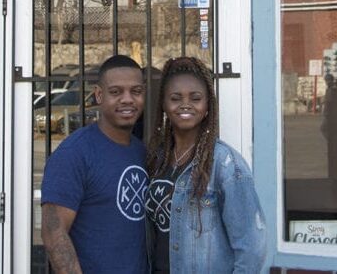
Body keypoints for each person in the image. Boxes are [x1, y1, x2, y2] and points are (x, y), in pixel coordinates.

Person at [145, 57, 265, 274]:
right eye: (175, 98)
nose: (185, 104)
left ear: (208, 105)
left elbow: (252, 249)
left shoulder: (226, 165)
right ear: (163, 104)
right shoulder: (156, 159)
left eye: (195, 98)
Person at [41, 54, 149, 274]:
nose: (127, 99)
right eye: (116, 92)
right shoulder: (75, 153)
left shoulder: (142, 152)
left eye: (135, 91)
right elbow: (53, 231)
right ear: (99, 95)